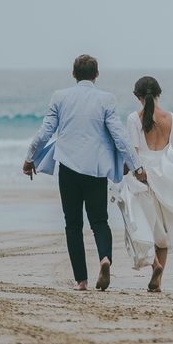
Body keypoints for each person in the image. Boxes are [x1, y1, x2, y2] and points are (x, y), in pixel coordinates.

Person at [22, 55, 146, 291]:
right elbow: (119, 136)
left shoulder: (60, 97)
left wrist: (30, 158)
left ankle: (81, 280)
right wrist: (137, 166)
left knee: (73, 224)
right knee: (99, 220)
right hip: (96, 170)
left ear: (73, 74)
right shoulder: (106, 99)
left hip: (68, 168)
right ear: (96, 74)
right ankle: (105, 259)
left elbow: (45, 132)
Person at [113, 76, 173, 292]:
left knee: (139, 224)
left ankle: (153, 264)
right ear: (159, 94)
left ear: (138, 96)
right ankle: (159, 279)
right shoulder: (172, 118)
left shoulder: (133, 119)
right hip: (165, 177)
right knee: (162, 234)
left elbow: (134, 153)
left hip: (142, 176)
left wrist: (125, 175)